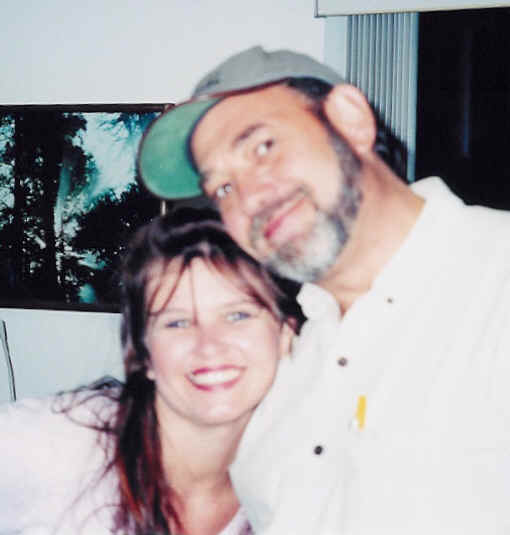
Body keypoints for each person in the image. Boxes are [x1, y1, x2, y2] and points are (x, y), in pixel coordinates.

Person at [137, 46, 510, 533]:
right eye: (222, 188)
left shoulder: (495, 280)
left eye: (262, 148)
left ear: (351, 120)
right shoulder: (282, 369)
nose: (249, 199)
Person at [0, 208, 299, 534]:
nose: (209, 345)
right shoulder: (62, 447)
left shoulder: (301, 489)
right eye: (177, 322)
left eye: (237, 315)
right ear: (143, 353)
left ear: (286, 335)